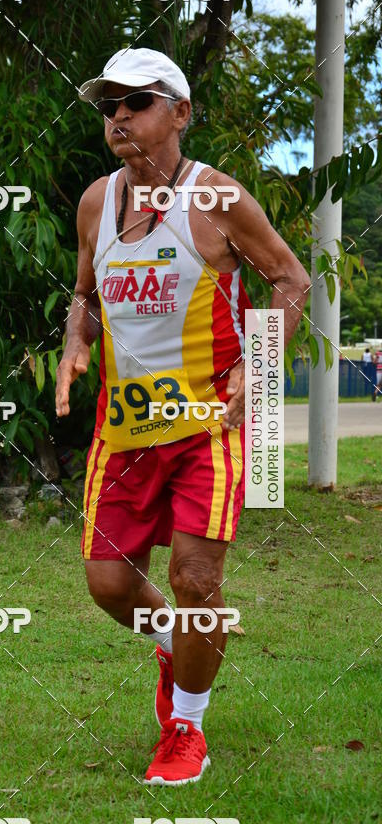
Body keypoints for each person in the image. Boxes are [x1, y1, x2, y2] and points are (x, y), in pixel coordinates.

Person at [55, 48, 310, 786]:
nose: (120, 118)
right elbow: (85, 295)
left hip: (210, 424)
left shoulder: (217, 197)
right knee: (108, 583)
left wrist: (254, 368)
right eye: (109, 107)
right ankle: (179, 640)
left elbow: (291, 280)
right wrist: (76, 340)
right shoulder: (96, 203)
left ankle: (185, 730)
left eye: (137, 101)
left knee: (195, 576)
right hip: (126, 427)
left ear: (181, 112)